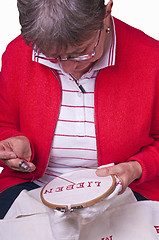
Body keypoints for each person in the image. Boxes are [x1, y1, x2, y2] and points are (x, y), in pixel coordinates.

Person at [0, 0, 159, 219]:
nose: (67, 67)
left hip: (128, 192)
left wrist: (136, 168)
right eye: (53, 57)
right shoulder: (18, 53)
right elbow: (4, 124)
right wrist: (12, 141)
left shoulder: (152, 58)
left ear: (106, 13)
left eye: (81, 52)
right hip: (32, 187)